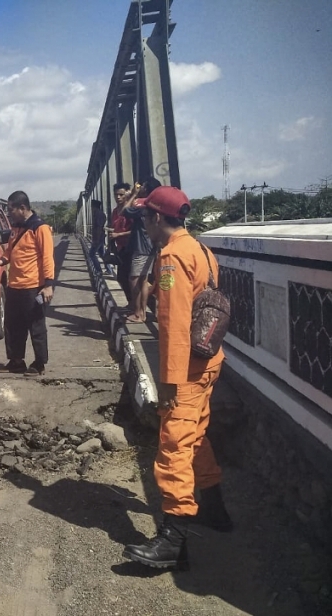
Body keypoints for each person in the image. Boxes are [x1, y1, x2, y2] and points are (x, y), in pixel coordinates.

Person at [123, 186, 232, 570]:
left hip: (185, 370)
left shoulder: (171, 259)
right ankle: (215, 511)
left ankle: (173, 542)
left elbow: (171, 325)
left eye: (144, 218)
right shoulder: (200, 249)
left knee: (173, 448)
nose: (144, 225)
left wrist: (167, 380)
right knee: (196, 435)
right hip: (209, 362)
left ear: (156, 218)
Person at [0, 190, 55, 376]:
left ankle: (39, 363)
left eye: (11, 210)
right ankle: (16, 361)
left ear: (23, 208)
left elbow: (48, 257)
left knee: (36, 327)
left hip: (32, 287)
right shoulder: (15, 228)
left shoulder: (39, 228)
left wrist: (48, 284)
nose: (9, 213)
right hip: (14, 286)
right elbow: (10, 251)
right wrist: (0, 261)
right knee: (12, 326)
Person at [122, 177, 161, 323]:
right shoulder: (153, 205)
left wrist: (133, 194)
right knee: (143, 280)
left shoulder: (143, 207)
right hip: (150, 246)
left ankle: (138, 313)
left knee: (134, 280)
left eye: (143, 186)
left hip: (141, 247)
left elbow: (125, 211)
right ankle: (143, 312)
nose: (141, 187)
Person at [108, 183, 132, 302]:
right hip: (120, 248)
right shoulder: (115, 212)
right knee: (122, 278)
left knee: (131, 279)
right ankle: (130, 303)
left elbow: (137, 231)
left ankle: (135, 306)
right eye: (116, 195)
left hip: (132, 248)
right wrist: (112, 232)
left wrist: (119, 234)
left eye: (121, 194)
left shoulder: (131, 210)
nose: (118, 197)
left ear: (127, 194)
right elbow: (117, 227)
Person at [88, 200, 114, 276]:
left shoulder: (98, 214)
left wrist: (96, 240)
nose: (91, 209)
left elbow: (99, 227)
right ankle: (109, 270)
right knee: (102, 254)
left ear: (94, 207)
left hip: (98, 238)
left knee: (91, 254)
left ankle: (99, 270)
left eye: (92, 207)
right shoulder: (99, 213)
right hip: (100, 237)